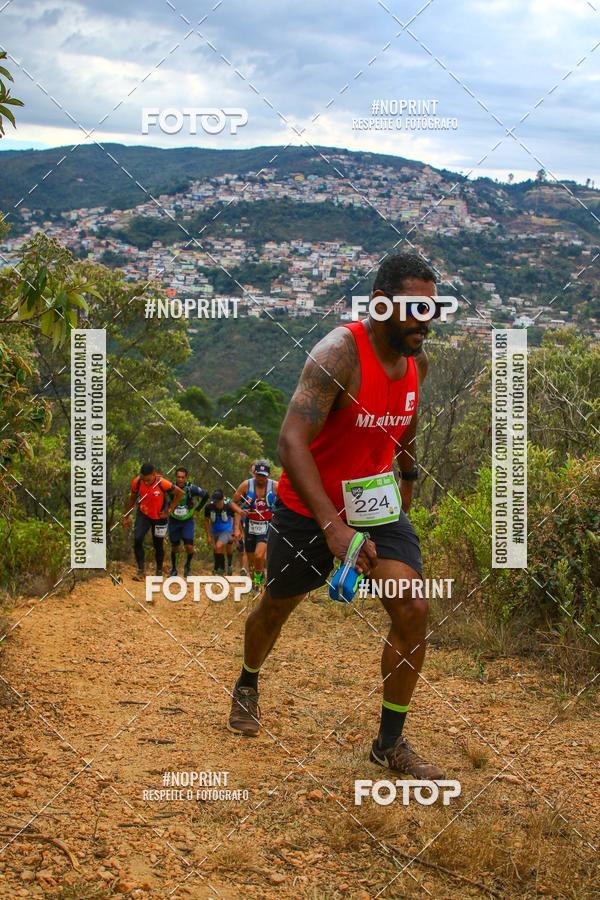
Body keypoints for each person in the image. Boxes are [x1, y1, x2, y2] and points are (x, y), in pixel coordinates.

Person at [228, 252, 445, 781]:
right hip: (308, 509)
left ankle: (389, 744)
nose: (425, 320)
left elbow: (405, 424)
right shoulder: (337, 355)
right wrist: (332, 527)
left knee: (412, 608)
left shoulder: (413, 357)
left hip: (373, 503)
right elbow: (290, 441)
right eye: (414, 308)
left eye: (432, 309)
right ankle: (248, 681)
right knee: (276, 608)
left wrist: (407, 484)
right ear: (379, 305)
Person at [123, 462, 183, 581]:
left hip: (160, 517)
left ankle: (159, 571)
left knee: (158, 544)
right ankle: (141, 571)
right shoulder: (137, 482)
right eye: (144, 479)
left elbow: (180, 493)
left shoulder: (162, 483)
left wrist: (169, 510)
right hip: (143, 514)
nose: (146, 482)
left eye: (149, 479)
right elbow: (132, 499)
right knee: (138, 539)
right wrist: (126, 516)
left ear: (154, 475)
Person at [232, 460, 278, 588]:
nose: (261, 478)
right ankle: (255, 584)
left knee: (259, 556)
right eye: (258, 475)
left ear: (268, 475)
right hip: (250, 525)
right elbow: (232, 502)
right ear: (254, 474)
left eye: (263, 475)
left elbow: (287, 503)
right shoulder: (246, 485)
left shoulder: (275, 486)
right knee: (252, 561)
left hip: (267, 525)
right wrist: (241, 511)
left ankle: (258, 581)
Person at [168, 467, 209, 577]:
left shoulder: (191, 488)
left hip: (187, 520)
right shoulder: (170, 487)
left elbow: (206, 495)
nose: (180, 479)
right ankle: (174, 569)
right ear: (175, 477)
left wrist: (197, 509)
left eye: (182, 477)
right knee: (175, 546)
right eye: (178, 477)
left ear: (186, 478)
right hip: (174, 519)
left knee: (189, 546)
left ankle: (187, 566)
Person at [203, 490, 243, 576]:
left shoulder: (229, 507)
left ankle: (220, 568)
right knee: (217, 550)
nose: (216, 504)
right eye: (215, 502)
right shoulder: (209, 507)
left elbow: (237, 519)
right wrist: (209, 535)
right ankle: (222, 568)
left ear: (222, 500)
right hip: (215, 531)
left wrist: (238, 531)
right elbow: (206, 520)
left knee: (221, 546)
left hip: (227, 531)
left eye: (218, 502)